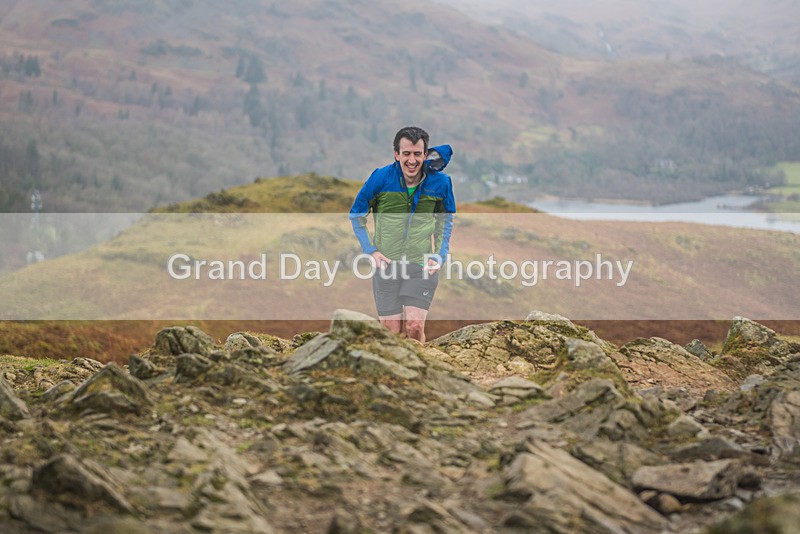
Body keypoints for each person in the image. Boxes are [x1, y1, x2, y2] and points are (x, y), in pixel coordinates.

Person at [350, 126, 456, 342]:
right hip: (386, 265)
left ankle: (421, 373)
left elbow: (445, 220)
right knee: (392, 333)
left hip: (421, 265)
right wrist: (370, 250)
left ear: (425, 155)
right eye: (406, 153)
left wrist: (440, 254)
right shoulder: (380, 178)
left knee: (415, 327)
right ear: (396, 154)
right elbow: (356, 216)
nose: (412, 160)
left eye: (417, 154)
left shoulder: (441, 182)